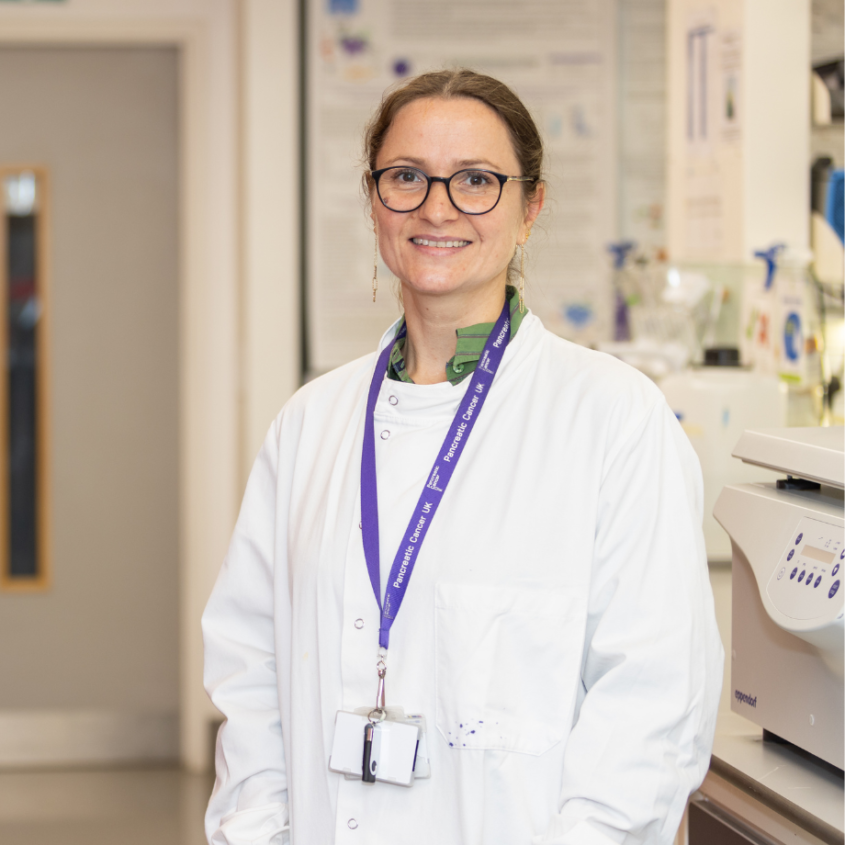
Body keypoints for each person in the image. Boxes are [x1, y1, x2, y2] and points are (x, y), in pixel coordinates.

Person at [203, 69, 723, 845]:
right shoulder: (310, 424)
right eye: (405, 177)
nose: (436, 207)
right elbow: (250, 675)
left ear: (529, 207)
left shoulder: (613, 418)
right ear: (374, 199)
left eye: (475, 180)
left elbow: (652, 705)